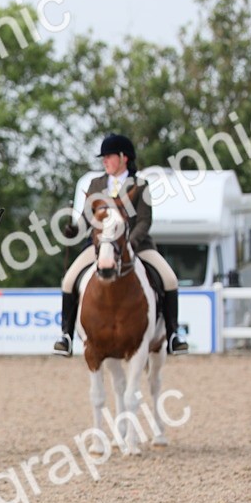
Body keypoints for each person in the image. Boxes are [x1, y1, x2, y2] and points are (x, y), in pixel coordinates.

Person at [53, 133, 188, 356]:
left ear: (124, 157)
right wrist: (74, 229)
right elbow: (87, 219)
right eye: (103, 158)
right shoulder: (95, 184)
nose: (104, 161)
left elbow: (144, 220)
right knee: (68, 281)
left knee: (170, 279)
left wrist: (128, 243)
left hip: (138, 246)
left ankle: (173, 335)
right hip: (99, 247)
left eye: (108, 156)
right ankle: (65, 336)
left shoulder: (140, 185)